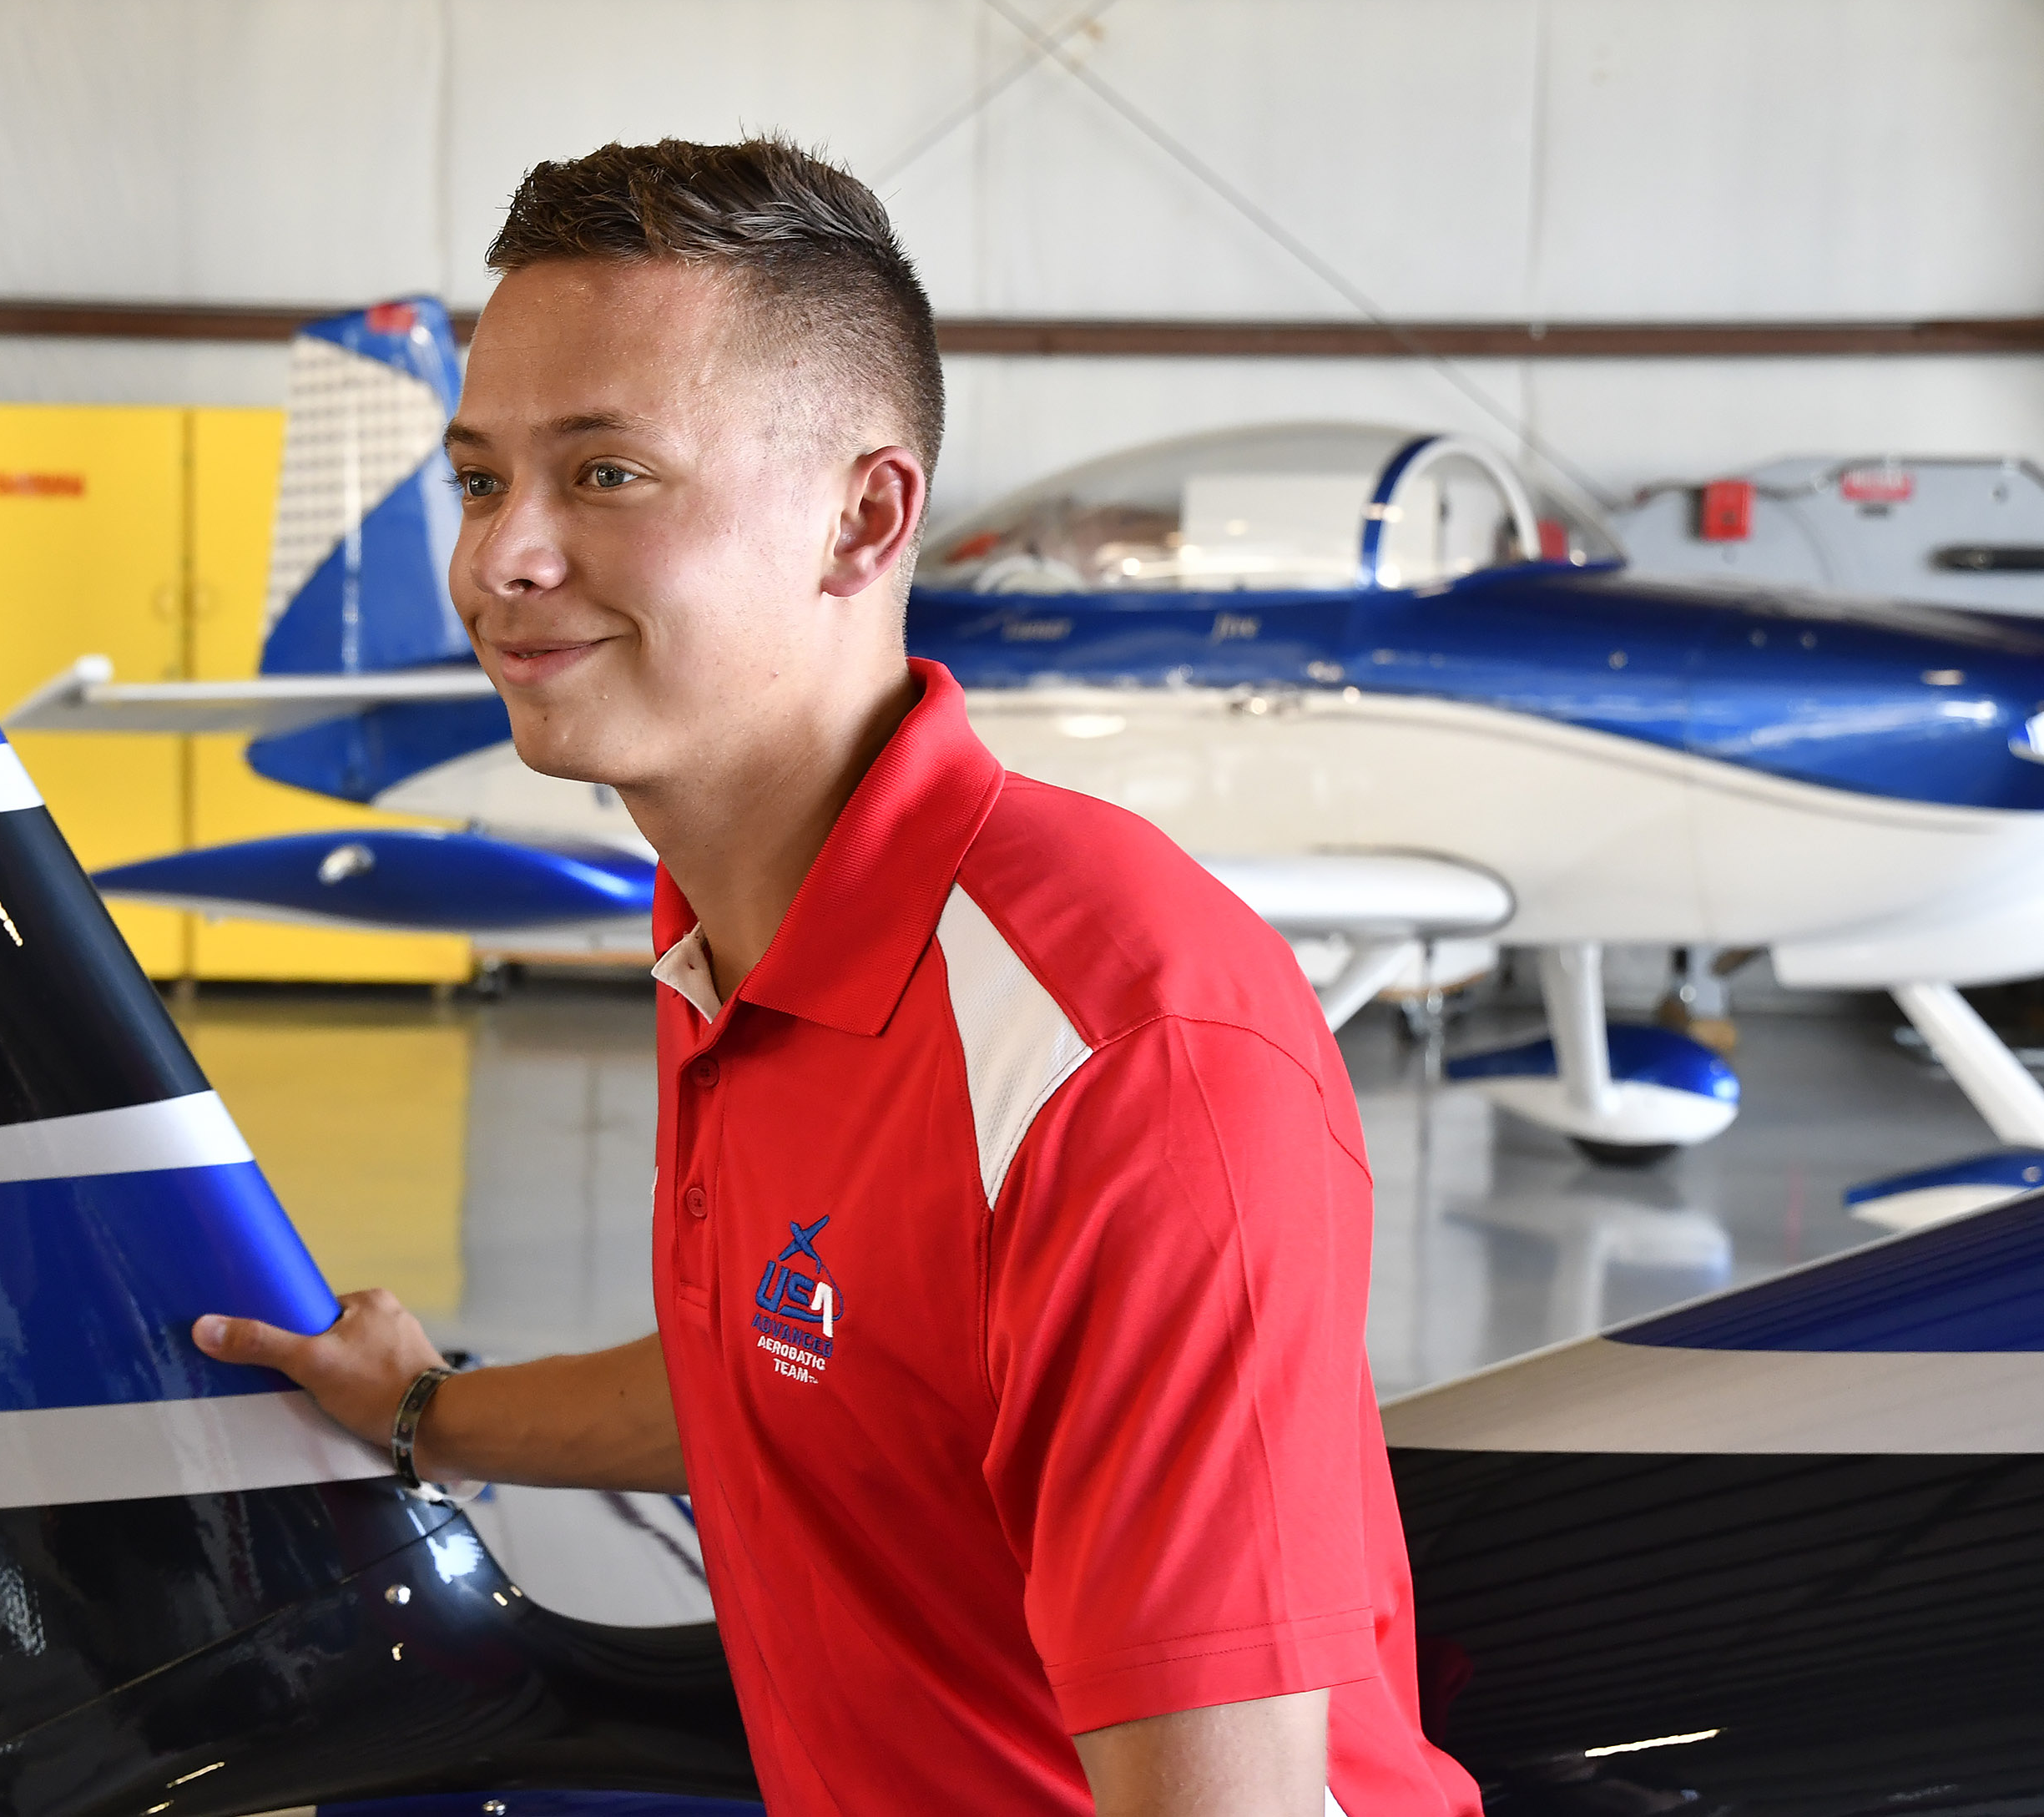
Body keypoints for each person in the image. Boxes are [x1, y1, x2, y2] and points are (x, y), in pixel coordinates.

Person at [192, 137, 1479, 1817]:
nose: (499, 560)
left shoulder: (1111, 1048)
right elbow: (811, 1367)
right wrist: (433, 1411)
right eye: (481, 478)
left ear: (860, 519)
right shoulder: (725, 934)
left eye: (605, 476)